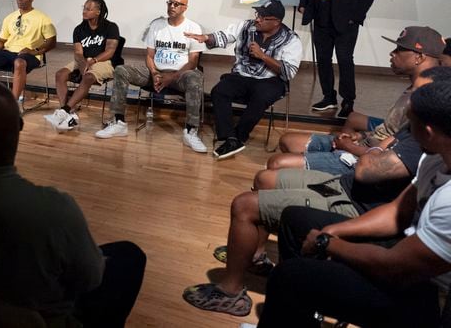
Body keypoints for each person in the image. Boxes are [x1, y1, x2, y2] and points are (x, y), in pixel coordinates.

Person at [0, 80, 146, 326]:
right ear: (19, 128)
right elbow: (90, 279)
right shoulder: (54, 209)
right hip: (42, 319)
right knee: (129, 256)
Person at [257, 80, 451, 328]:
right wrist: (334, 231)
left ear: (428, 132)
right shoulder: (435, 159)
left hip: (431, 299)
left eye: (409, 125)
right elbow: (395, 214)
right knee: (296, 218)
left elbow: (393, 267)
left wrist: (328, 243)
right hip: (407, 252)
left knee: (287, 277)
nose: (403, 135)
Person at [183, 124, 422, 318]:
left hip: (356, 206)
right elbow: (376, 152)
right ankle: (255, 257)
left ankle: (230, 293)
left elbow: (366, 169)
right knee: (265, 179)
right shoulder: (417, 129)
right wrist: (375, 151)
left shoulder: (421, 146)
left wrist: (372, 151)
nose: (412, 98)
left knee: (243, 205)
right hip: (345, 186)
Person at [273, 27, 443, 174]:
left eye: (399, 49)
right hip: (364, 144)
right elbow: (388, 130)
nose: (392, 53)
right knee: (288, 141)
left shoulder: (426, 101)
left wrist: (348, 147)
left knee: (277, 164)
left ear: (419, 57)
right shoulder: (413, 87)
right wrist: (358, 135)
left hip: (366, 158)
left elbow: (390, 152)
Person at [186, 0, 302, 159]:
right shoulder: (247, 27)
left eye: (263, 17)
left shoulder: (291, 40)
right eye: (258, 14)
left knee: (261, 96)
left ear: (276, 22)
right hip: (241, 76)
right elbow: (225, 36)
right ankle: (229, 138)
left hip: (270, 80)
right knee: (219, 91)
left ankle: (240, 136)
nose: (258, 19)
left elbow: (289, 72)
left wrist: (263, 56)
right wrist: (206, 37)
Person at [96, 0, 207, 151]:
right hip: (156, 72)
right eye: (170, 3)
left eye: (177, 4)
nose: (172, 7)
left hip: (180, 75)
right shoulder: (157, 25)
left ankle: (191, 131)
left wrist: (171, 77)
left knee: (195, 77)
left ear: (185, 8)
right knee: (121, 70)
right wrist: (154, 72)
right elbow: (149, 56)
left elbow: (193, 61)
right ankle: (118, 122)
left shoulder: (193, 27)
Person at [299, 0, 377, 119]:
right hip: (321, 19)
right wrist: (304, 5)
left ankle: (348, 101)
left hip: (345, 22)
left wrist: (356, 16)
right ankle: (328, 97)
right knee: (323, 60)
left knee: (344, 60)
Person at [45, 0, 121, 132]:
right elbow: (78, 53)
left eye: (88, 9)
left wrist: (93, 61)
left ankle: (64, 111)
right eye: (84, 8)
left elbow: (110, 51)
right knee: (60, 74)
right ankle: (67, 114)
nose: (84, 11)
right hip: (84, 60)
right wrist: (82, 65)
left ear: (98, 11)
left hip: (104, 61)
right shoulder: (79, 29)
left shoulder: (111, 27)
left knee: (88, 77)